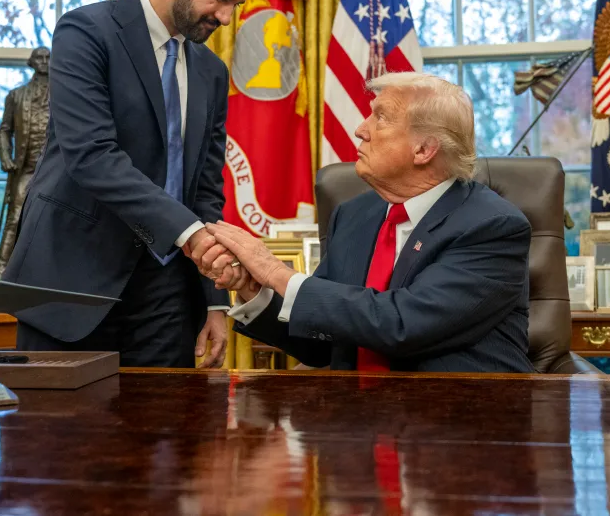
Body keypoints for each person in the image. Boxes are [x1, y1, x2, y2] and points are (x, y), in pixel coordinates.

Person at [2, 0, 264, 367]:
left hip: (168, 295)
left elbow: (204, 187)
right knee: (54, 436)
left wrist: (214, 301)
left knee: (163, 431)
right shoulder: (86, 33)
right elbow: (92, 156)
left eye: (234, 4)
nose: (225, 17)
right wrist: (192, 236)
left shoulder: (211, 72)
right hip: (72, 280)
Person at [191, 72, 534, 373]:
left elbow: (403, 324)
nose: (360, 129)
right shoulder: (354, 215)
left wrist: (276, 272)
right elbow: (321, 342)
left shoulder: (492, 227)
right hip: (359, 426)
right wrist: (255, 288)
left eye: (380, 118)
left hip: (462, 427)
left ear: (424, 149)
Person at [0, 46, 51, 278]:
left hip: (56, 172)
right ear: (32, 62)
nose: (45, 62)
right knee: (15, 219)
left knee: (53, 224)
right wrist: (5, 157)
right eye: (40, 58)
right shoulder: (16, 96)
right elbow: (4, 131)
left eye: (48, 57)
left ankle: (49, 280)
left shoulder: (66, 95)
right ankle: (0, 277)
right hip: (25, 169)